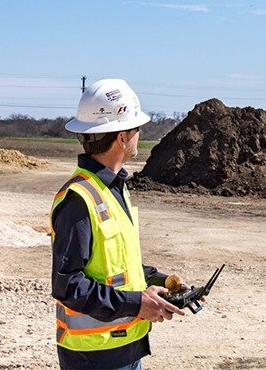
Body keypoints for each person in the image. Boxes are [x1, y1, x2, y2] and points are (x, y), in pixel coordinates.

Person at [51, 78, 183, 370]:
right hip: (95, 356)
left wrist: (163, 282)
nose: (139, 134)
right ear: (122, 137)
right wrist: (137, 304)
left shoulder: (112, 188)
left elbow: (118, 266)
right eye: (136, 128)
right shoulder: (79, 199)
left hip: (124, 346)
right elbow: (68, 285)